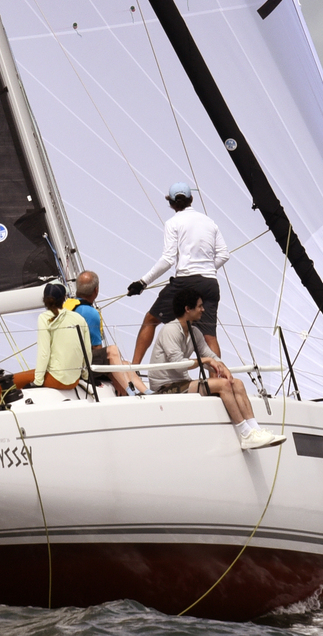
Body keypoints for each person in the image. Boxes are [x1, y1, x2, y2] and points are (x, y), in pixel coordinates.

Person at [148, 291, 284, 450]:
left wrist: (222, 367)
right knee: (222, 385)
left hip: (182, 384)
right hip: (165, 388)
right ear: (187, 309)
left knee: (237, 383)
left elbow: (209, 355)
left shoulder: (194, 332)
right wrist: (206, 361)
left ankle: (256, 431)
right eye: (199, 306)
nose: (203, 310)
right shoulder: (170, 330)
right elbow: (178, 363)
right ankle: (245, 434)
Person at [128, 181, 231, 365]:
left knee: (150, 320)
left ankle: (133, 368)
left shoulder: (173, 223)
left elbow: (168, 260)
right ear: (191, 199)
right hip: (210, 283)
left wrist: (142, 283)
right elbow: (224, 254)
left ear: (171, 203)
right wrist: (205, 269)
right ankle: (219, 379)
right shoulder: (209, 222)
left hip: (185, 283)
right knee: (209, 335)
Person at [0, 283, 92, 405]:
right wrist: (86, 376)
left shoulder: (45, 318)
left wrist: (37, 382)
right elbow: (87, 351)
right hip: (74, 380)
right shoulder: (79, 318)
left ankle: (1, 419)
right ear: (64, 299)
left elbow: (44, 353)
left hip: (56, 379)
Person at [64, 270, 146, 396]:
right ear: (96, 290)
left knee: (124, 364)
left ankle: (146, 392)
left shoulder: (67, 307)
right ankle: (131, 391)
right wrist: (115, 378)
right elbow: (98, 350)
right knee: (113, 352)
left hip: (67, 361)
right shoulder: (90, 313)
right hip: (81, 366)